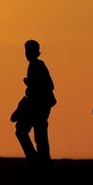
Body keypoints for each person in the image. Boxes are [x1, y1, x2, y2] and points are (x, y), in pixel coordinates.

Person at [14, 39, 56, 170]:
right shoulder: (36, 65)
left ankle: (36, 161)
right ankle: (40, 161)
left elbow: (49, 86)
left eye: (28, 51)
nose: (26, 54)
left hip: (38, 106)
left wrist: (30, 84)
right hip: (39, 106)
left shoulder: (37, 66)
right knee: (38, 134)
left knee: (25, 131)